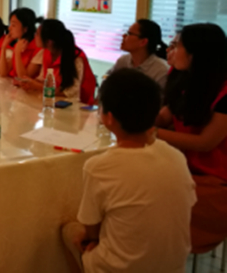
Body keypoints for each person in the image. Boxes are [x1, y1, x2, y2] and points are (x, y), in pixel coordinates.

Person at [61, 69, 196, 273]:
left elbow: (91, 231)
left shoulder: (99, 167)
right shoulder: (176, 156)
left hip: (120, 268)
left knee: (69, 231)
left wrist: (93, 239)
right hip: (174, 266)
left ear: (108, 118)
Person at [156, 23, 227, 253]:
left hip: (215, 180)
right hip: (183, 168)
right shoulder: (184, 78)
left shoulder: (224, 90)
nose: (170, 50)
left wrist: (151, 133)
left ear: (196, 53)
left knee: (149, 196)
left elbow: (205, 143)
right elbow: (165, 116)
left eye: (176, 45)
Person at [19, 19, 96, 104]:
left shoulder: (75, 57)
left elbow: (70, 92)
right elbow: (44, 79)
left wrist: (37, 86)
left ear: (49, 42)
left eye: (37, 34)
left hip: (76, 104)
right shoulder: (46, 52)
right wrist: (30, 84)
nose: (35, 37)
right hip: (54, 101)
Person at [107, 19, 169, 90]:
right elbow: (107, 80)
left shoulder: (161, 70)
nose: (123, 36)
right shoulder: (123, 60)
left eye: (129, 34)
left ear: (143, 42)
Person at [0, 7, 41, 79]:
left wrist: (17, 53)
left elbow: (23, 78)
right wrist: (3, 47)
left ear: (25, 29)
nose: (9, 28)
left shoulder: (38, 48)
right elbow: (3, 72)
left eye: (13, 25)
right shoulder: (19, 44)